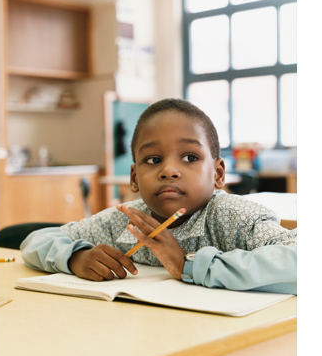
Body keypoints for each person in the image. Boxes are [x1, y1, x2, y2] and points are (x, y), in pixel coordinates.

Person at [21, 98, 297, 294]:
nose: (168, 170)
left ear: (217, 174)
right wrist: (76, 258)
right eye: (153, 160)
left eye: (190, 157)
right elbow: (37, 240)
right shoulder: (126, 222)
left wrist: (188, 265)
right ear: (134, 178)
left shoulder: (232, 218)